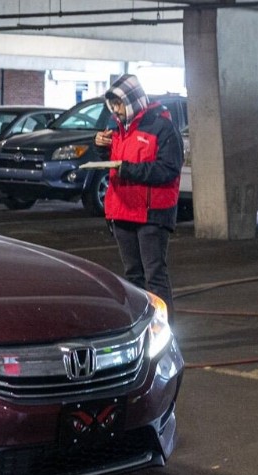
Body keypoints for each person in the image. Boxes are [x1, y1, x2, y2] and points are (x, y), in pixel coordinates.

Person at [92, 74, 185, 316]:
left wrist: (127, 169)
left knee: (155, 276)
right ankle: (138, 329)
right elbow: (113, 161)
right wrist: (101, 148)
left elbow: (169, 168)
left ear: (132, 100)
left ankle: (165, 332)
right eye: (112, 105)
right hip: (122, 211)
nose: (115, 109)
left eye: (119, 103)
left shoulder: (162, 126)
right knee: (133, 277)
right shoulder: (119, 128)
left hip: (151, 214)